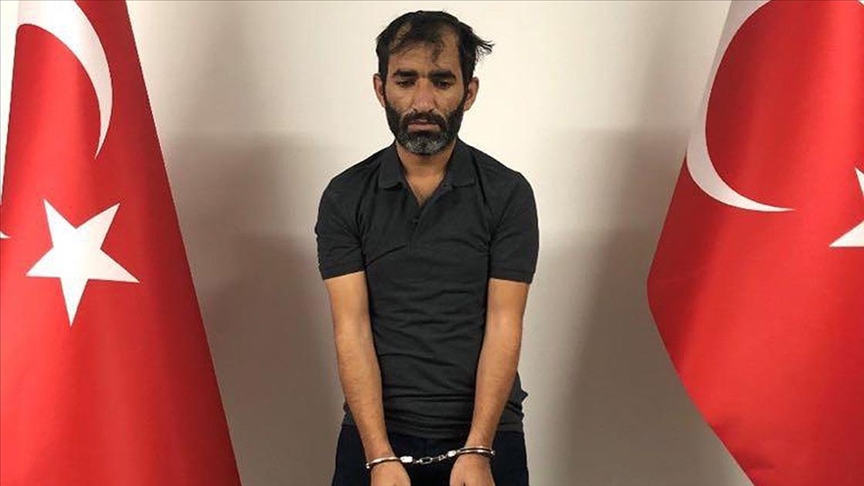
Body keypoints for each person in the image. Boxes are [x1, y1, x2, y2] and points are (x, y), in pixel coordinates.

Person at [315, 10, 539, 486]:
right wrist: (378, 456)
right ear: (381, 89)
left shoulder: (507, 193)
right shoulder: (345, 196)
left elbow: (504, 323)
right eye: (405, 80)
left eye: (441, 81)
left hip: (488, 433)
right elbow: (351, 327)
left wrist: (478, 448)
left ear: (469, 92)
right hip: (374, 434)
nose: (422, 102)